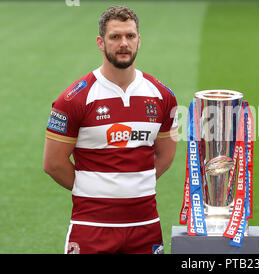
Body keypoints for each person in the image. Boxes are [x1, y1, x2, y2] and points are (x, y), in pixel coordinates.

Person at [43, 5, 178, 254]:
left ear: (139, 40)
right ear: (100, 42)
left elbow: (167, 156)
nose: (123, 43)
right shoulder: (73, 99)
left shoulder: (163, 96)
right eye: (115, 36)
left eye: (130, 36)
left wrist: (135, 184)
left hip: (145, 225)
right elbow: (53, 163)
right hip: (91, 226)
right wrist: (94, 190)